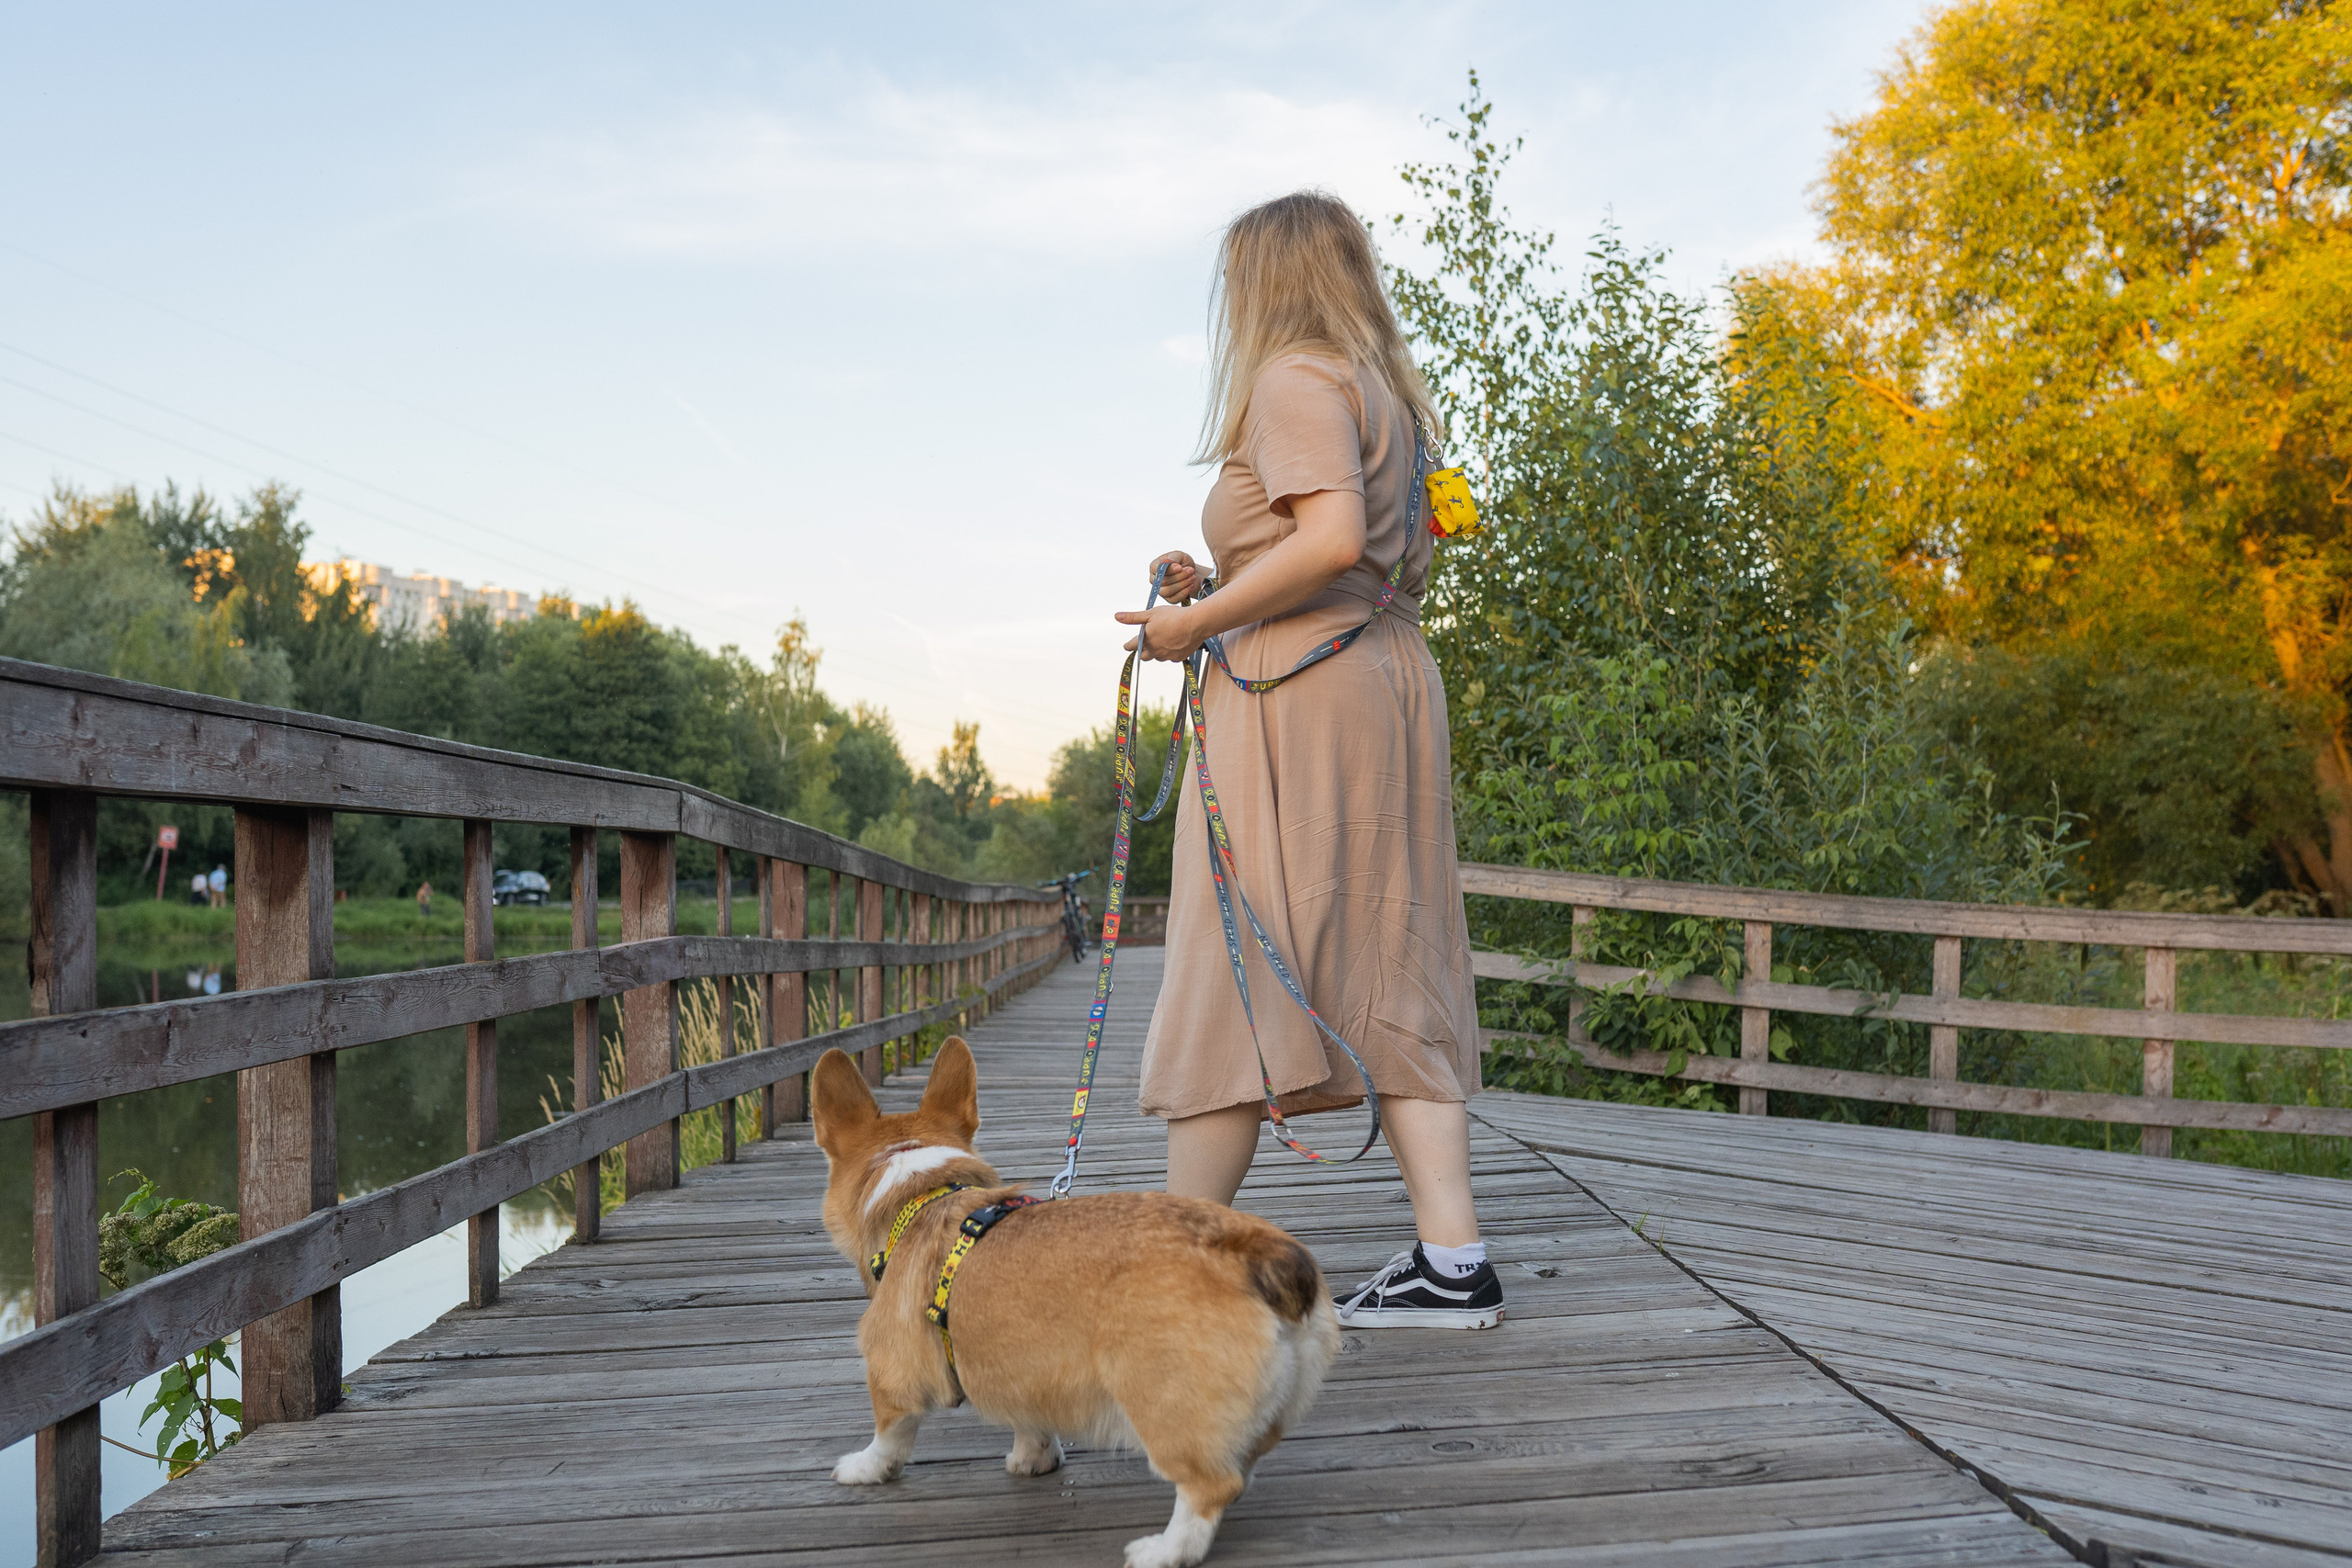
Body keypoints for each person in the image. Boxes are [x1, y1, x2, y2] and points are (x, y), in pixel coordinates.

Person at [1114, 190, 1499, 1329]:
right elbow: (1342, 551)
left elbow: (1326, 541)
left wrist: (1190, 627)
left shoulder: (1292, 380)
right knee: (1391, 952)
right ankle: (1452, 1260)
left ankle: (1173, 1275)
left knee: (1239, 954)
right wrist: (1215, 585)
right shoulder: (1379, 393)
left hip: (1299, 696)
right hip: (1374, 678)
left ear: (1267, 281)